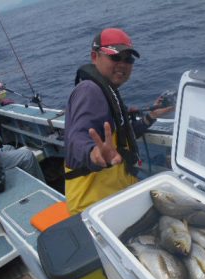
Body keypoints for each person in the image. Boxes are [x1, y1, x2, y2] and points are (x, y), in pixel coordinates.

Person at [64, 27, 173, 215]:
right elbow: (76, 139)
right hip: (95, 206)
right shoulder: (89, 91)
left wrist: (151, 116)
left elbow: (122, 136)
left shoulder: (107, 90)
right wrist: (94, 153)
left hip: (117, 191)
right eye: (115, 57)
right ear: (94, 56)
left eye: (128, 59)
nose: (122, 64)